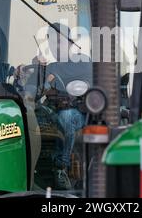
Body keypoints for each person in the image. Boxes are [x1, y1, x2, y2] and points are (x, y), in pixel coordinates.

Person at [18, 23, 91, 190]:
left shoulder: (84, 62)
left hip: (78, 113)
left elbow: (89, 86)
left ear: (71, 42)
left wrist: (62, 87)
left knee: (66, 117)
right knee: (23, 115)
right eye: (51, 42)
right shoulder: (49, 67)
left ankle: (60, 167)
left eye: (59, 41)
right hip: (51, 111)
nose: (54, 46)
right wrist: (28, 73)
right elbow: (31, 92)